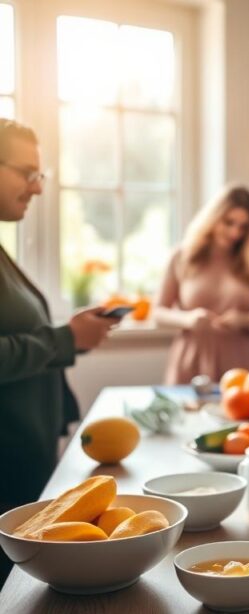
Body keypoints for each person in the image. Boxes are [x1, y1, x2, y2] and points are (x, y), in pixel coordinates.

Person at [0, 119, 117, 582]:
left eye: (39, 175)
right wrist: (66, 339)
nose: (37, 188)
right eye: (26, 172)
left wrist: (71, 335)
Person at [155, 186, 249, 384]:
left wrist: (245, 319)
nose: (235, 232)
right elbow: (158, 313)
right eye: (228, 222)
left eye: (243, 227)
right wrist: (188, 319)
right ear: (213, 217)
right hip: (191, 358)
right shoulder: (182, 256)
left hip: (241, 361)